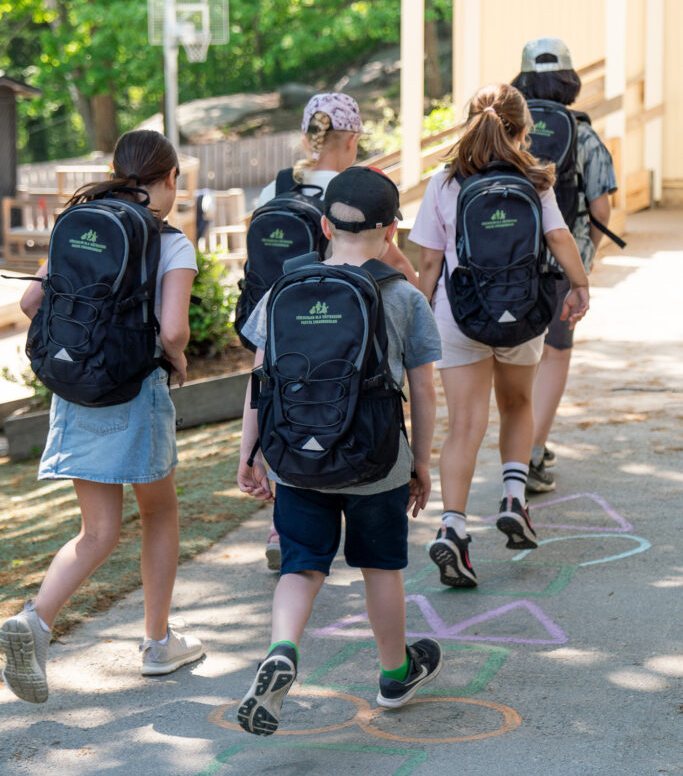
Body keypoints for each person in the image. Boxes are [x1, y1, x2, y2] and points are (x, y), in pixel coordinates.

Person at [236, 167, 443, 735]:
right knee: (381, 566)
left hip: (297, 461)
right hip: (376, 462)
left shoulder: (285, 288)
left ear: (324, 225)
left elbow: (260, 377)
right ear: (392, 230)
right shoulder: (403, 297)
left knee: (301, 566)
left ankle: (281, 650)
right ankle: (395, 672)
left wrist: (250, 452)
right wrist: (421, 461)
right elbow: (423, 389)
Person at [0, 130, 203, 704]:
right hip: (133, 388)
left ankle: (35, 621)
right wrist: (179, 356)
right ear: (169, 179)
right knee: (160, 512)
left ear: (115, 172)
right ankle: (158, 643)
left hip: (76, 382)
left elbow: (30, 303)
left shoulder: (84, 220)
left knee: (97, 530)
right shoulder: (170, 242)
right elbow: (171, 330)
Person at [410, 83, 589, 589]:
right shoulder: (533, 179)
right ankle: (513, 497)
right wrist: (579, 286)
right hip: (523, 309)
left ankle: (453, 528)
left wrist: (421, 319)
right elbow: (558, 238)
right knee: (516, 403)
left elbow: (427, 262)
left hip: (460, 315)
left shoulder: (445, 182)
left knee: (465, 425)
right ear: (523, 129)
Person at [256, 92, 419, 572]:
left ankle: (284, 520)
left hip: (283, 319)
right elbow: (387, 260)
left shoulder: (277, 187)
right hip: (347, 326)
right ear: (349, 140)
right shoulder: (355, 187)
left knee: (290, 400)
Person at [511, 38, 618, 493]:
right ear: (569, 80)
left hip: (509, 263)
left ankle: (514, 451)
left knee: (517, 356)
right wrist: (584, 258)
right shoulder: (584, 133)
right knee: (555, 353)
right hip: (561, 263)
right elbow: (602, 207)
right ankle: (533, 451)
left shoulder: (504, 129)